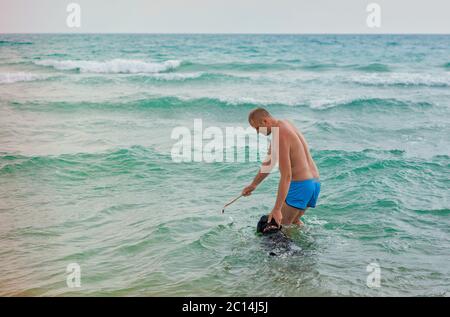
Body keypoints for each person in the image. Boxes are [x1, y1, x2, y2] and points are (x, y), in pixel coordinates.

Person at [242, 108, 320, 227]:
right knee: (293, 223)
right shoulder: (286, 125)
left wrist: (277, 209)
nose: (258, 132)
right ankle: (310, 244)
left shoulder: (280, 135)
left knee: (280, 227)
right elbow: (269, 163)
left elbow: (287, 175)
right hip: (314, 183)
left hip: (300, 185)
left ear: (265, 121)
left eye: (257, 128)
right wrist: (254, 184)